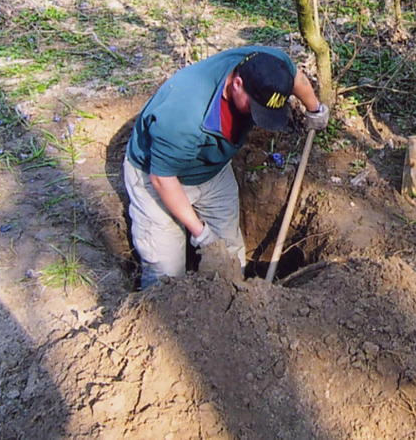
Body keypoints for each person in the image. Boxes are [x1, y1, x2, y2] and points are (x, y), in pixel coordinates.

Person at [123, 46, 329, 288]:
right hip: (157, 177)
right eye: (255, 108)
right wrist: (201, 234)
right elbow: (162, 180)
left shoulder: (269, 64)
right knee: (166, 276)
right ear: (237, 83)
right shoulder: (183, 116)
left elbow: (295, 78)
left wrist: (315, 108)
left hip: (212, 169)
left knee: (230, 256)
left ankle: (232, 310)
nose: (256, 117)